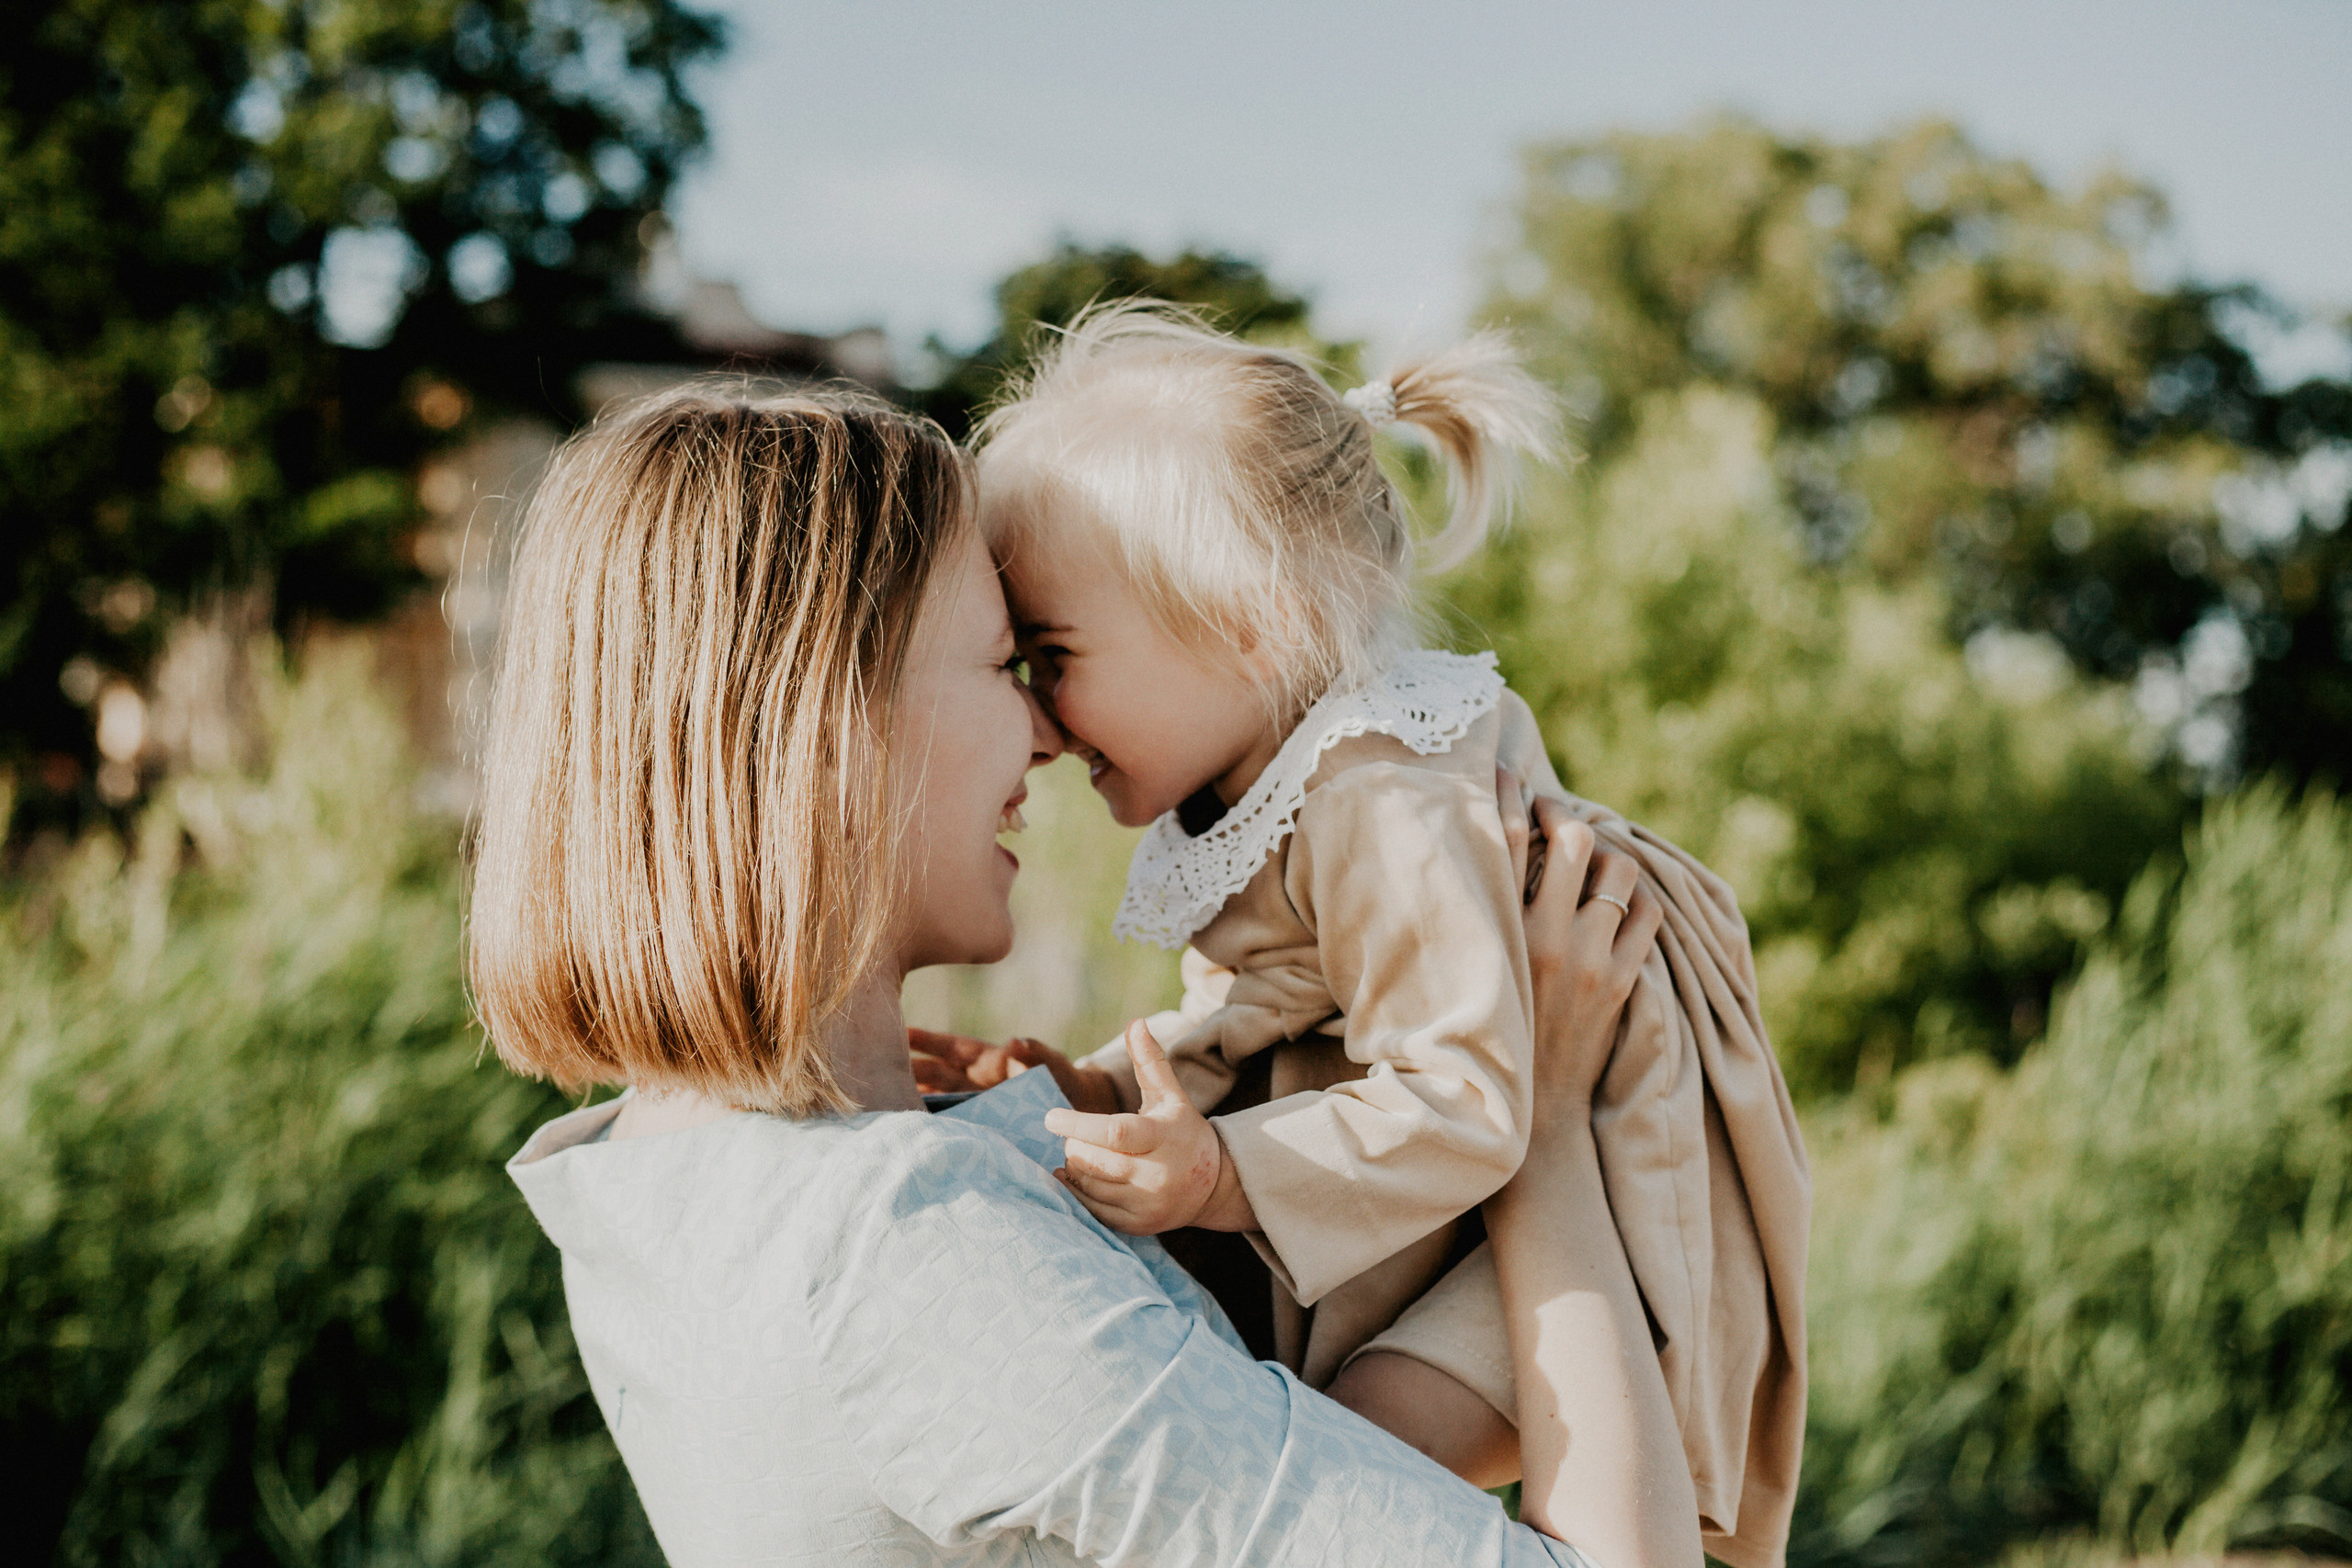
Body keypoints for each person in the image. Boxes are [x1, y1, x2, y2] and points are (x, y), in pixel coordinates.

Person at [475, 387, 1684, 1567]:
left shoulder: (653, 1189)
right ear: (833, 721)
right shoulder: (917, 1257)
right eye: (1007, 663)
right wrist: (1553, 1116)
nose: (1048, 735)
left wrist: (1059, 1113)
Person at [954, 305, 1809, 1565]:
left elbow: (1467, 1093)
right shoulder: (1271, 780)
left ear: (1247, 626)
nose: (1036, 717)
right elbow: (1281, 999)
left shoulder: (1375, 793)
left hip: (1615, 1167)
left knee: (1338, 1464)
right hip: (1489, 1156)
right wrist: (1097, 1089)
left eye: (1052, 654)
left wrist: (1214, 1175)